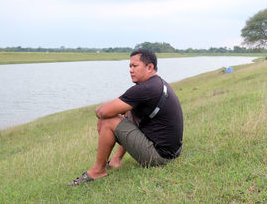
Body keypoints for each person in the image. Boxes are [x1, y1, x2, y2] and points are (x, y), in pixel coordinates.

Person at [68, 48, 183, 185]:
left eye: (135, 66)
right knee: (127, 112)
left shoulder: (144, 89)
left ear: (150, 67)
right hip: (172, 151)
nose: (130, 70)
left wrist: (103, 110)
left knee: (107, 121)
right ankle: (116, 160)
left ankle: (98, 170)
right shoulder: (158, 83)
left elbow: (103, 112)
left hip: (159, 157)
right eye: (129, 66)